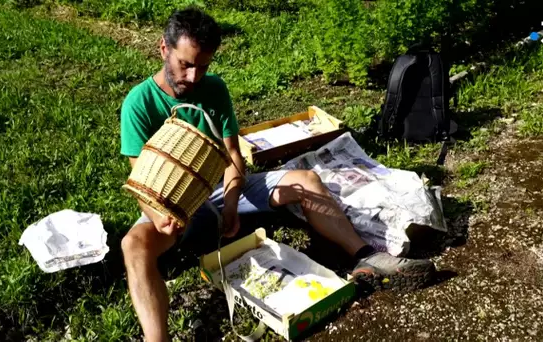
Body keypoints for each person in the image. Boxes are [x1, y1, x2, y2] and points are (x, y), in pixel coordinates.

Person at [119, 7, 435, 342]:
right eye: (186, 64)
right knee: (132, 246)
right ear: (164, 49)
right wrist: (163, 216)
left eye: (204, 66)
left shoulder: (213, 89)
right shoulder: (139, 104)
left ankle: (364, 257)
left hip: (220, 189)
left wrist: (230, 202)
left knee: (306, 181)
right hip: (177, 202)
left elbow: (232, 156)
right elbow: (144, 182)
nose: (195, 76)